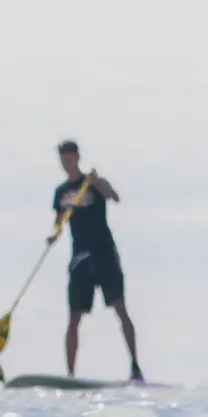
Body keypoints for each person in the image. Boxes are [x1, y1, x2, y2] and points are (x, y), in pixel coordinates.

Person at [52, 140, 143, 383]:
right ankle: (70, 375)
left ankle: (135, 366)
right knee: (73, 317)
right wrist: (54, 234)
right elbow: (58, 221)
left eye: (69, 158)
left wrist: (97, 183)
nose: (66, 162)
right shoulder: (61, 192)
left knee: (119, 308)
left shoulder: (92, 182)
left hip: (103, 254)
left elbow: (114, 197)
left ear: (77, 157)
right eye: (62, 159)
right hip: (80, 259)